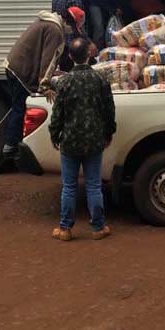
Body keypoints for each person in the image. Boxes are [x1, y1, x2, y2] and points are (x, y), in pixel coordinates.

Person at [48, 37, 116, 241]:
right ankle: (98, 228)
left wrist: (55, 134)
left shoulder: (64, 82)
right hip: (95, 140)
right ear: (89, 54)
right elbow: (108, 110)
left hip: (69, 141)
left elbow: (57, 113)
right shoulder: (100, 80)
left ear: (70, 56)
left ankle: (65, 229)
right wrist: (109, 132)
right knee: (94, 185)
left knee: (68, 186)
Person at [2, 10, 67, 173]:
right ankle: (11, 147)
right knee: (21, 108)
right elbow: (48, 59)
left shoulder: (47, 22)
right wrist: (45, 86)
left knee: (17, 107)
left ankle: (13, 144)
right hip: (21, 70)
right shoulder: (56, 31)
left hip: (14, 65)